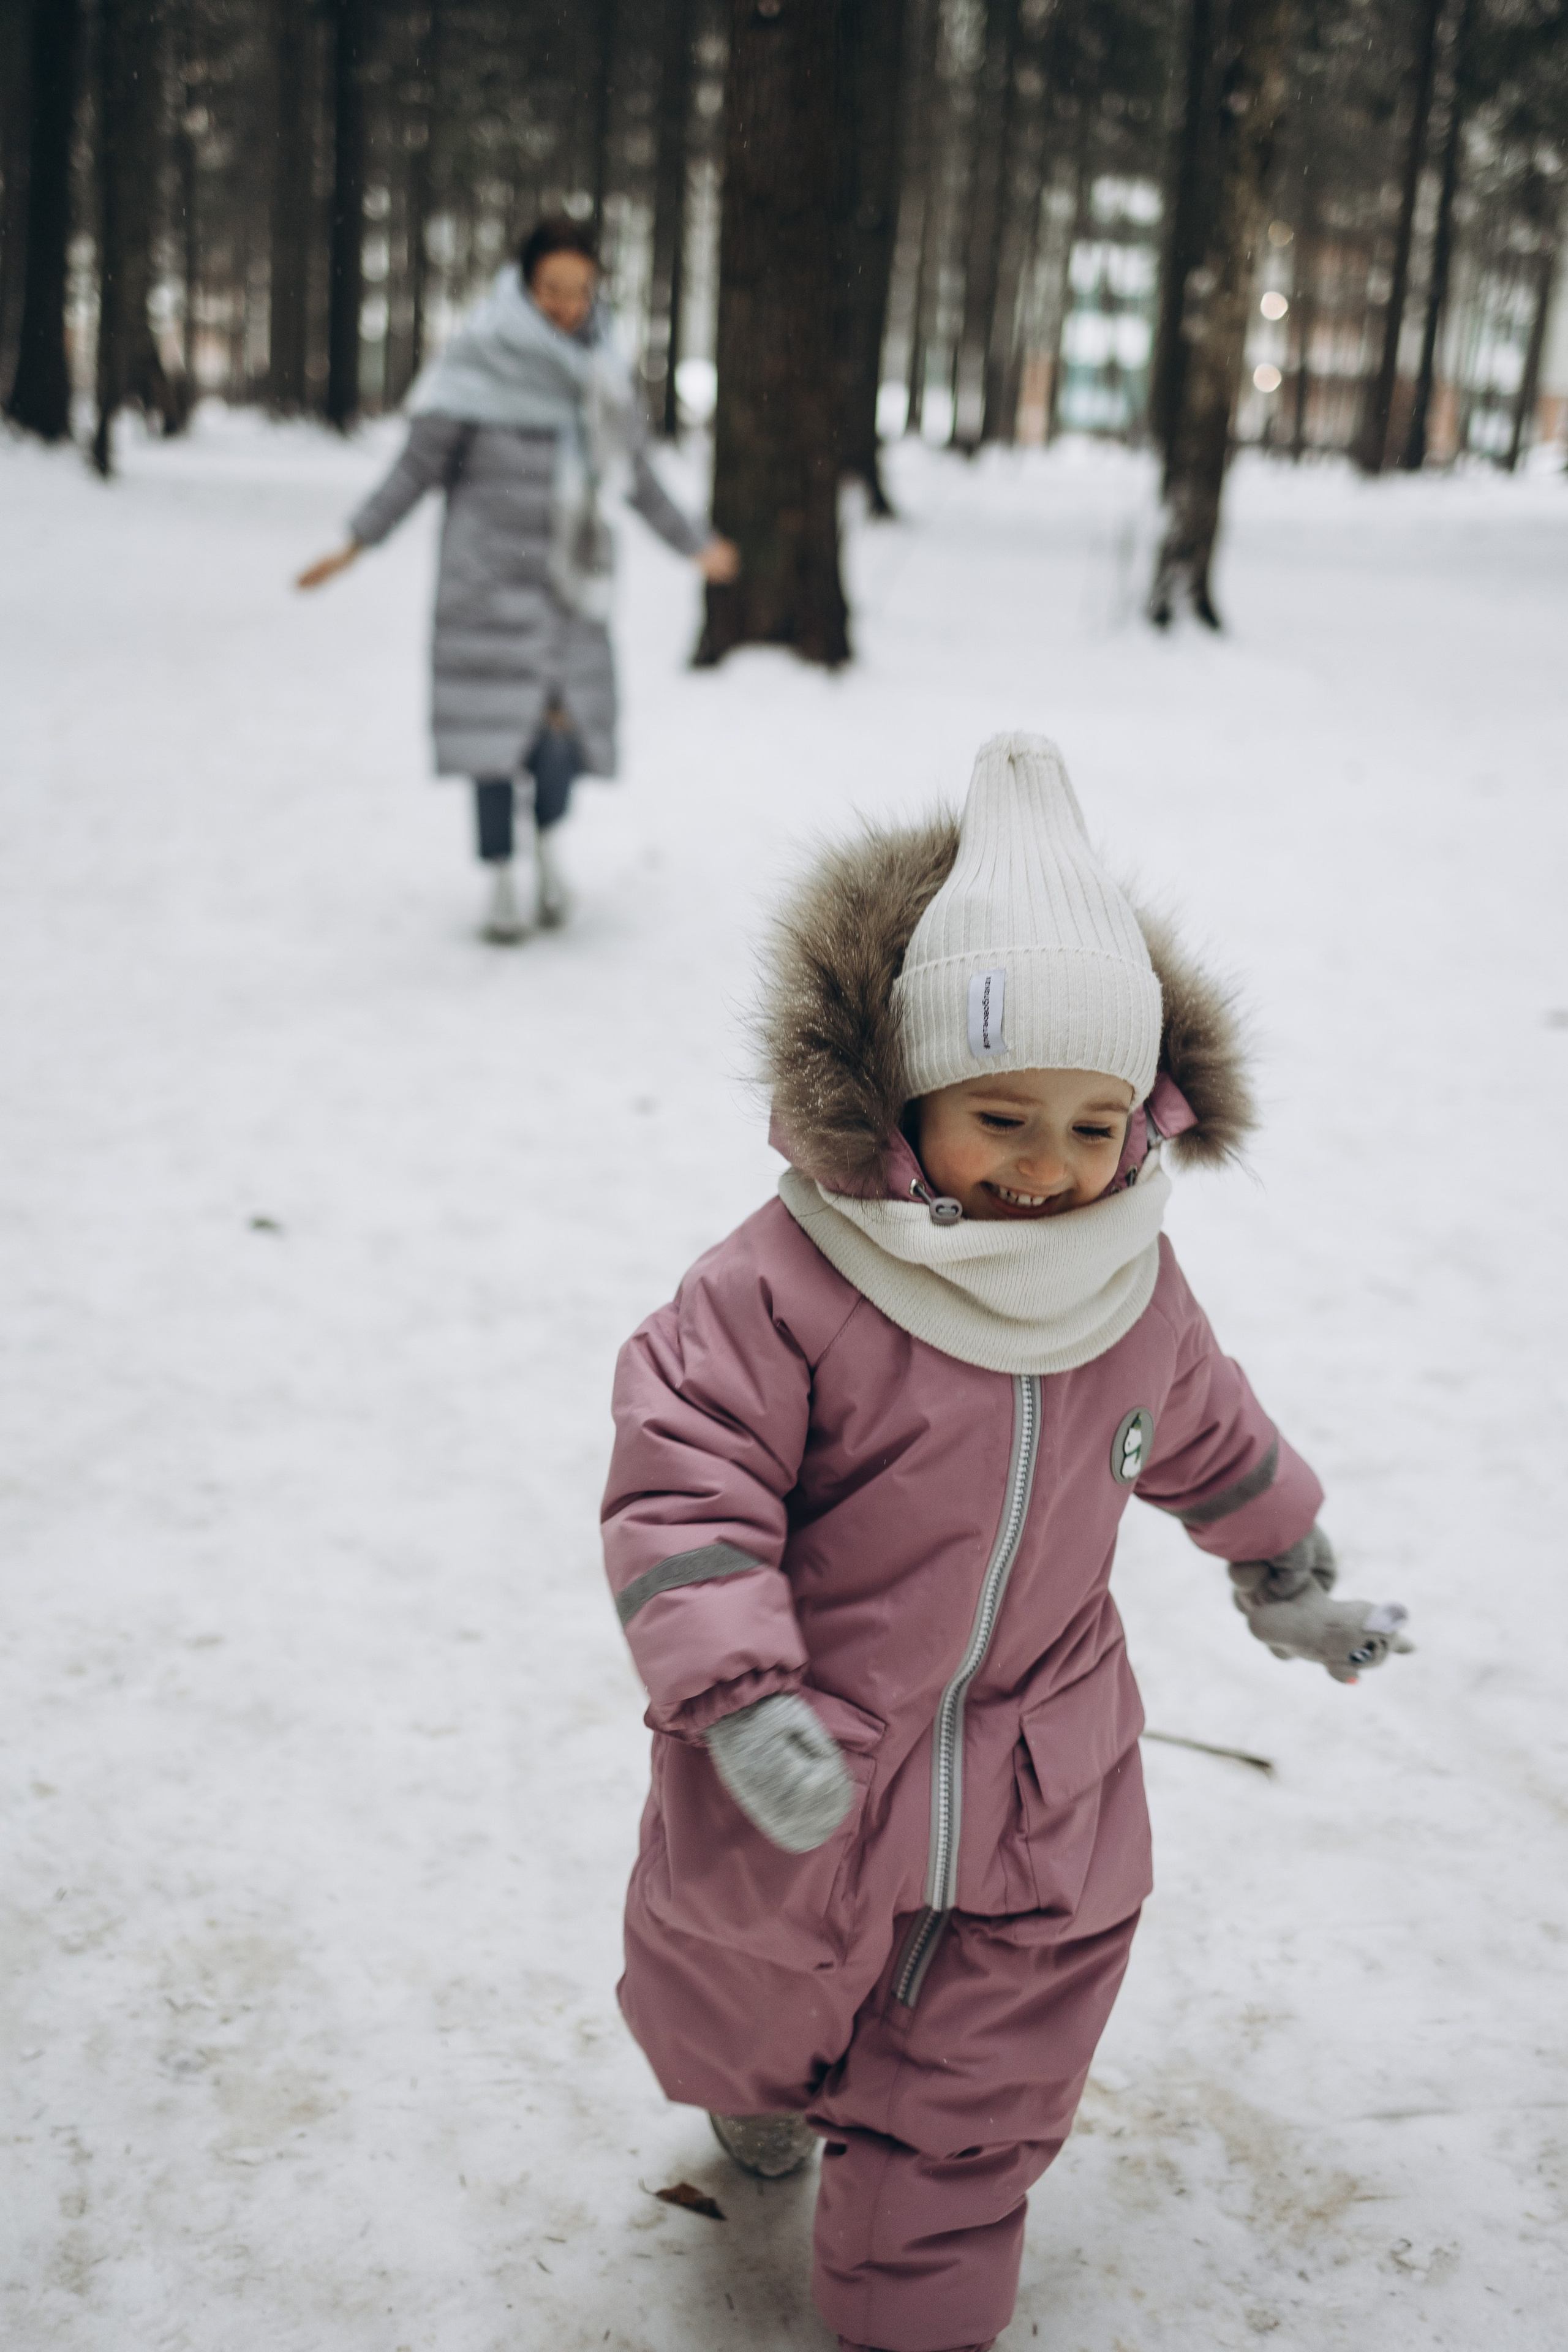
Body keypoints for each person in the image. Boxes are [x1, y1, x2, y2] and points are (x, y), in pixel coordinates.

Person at [600, 734, 1414, 2352]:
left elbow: (1207, 1430)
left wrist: (1287, 1567)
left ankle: (917, 2310)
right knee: (750, 1991)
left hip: (1050, 1777)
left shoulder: (1130, 1288)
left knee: (984, 2091)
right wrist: (741, 1692)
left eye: (1094, 1125)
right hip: (812, 1752)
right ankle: (764, 2092)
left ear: (1146, 1116)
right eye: (1003, 1115)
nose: (1051, 1170)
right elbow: (684, 1481)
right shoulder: (786, 1287)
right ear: (906, 1103)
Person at [296, 216, 737, 942]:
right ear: (525, 284)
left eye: (579, 290)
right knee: (493, 740)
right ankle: (502, 877)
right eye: (551, 289)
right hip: (485, 585)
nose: (565, 304)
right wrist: (356, 542)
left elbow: (637, 478)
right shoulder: (476, 359)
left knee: (560, 737)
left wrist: (694, 545)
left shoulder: (603, 372)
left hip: (570, 590)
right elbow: (416, 468)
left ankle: (548, 848)